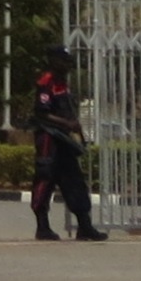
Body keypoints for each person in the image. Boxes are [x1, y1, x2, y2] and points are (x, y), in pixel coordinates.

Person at [29, 63, 102, 241]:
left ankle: (84, 225)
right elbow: (42, 113)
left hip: (65, 140)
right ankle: (42, 226)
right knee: (45, 179)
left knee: (75, 181)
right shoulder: (46, 82)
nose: (68, 67)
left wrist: (74, 128)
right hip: (49, 138)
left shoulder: (63, 83)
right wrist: (66, 124)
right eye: (64, 62)